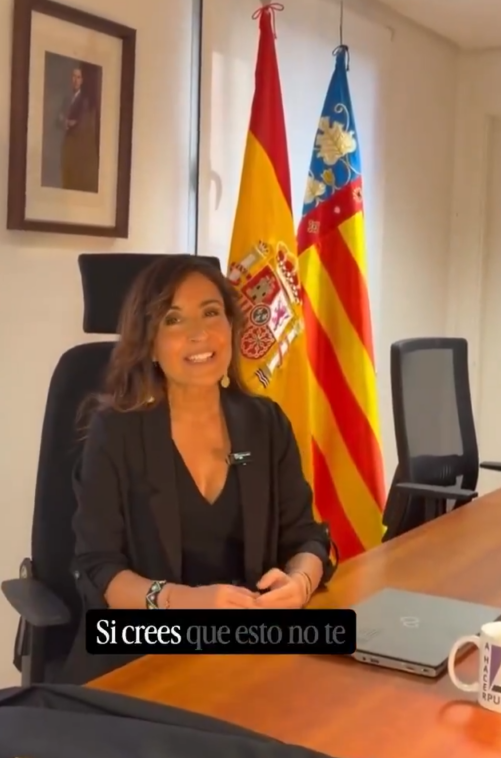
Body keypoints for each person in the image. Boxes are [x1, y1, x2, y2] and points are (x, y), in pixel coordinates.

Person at [63, 254, 335, 682]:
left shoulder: (265, 423)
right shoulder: (114, 432)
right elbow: (99, 568)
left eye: (211, 313)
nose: (199, 333)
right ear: (150, 343)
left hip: (247, 653)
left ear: (231, 325)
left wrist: (300, 583)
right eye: (173, 320)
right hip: (139, 654)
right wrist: (182, 602)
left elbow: (307, 537)